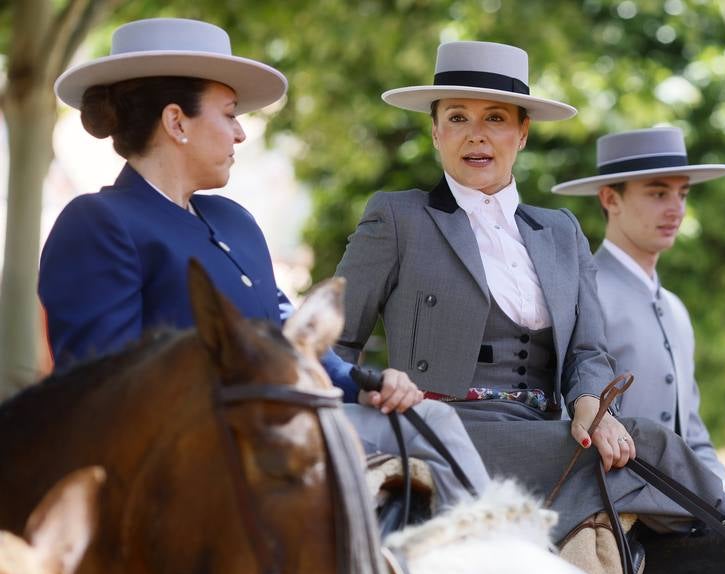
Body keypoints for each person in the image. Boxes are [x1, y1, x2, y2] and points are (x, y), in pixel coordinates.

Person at [39, 17, 487, 511]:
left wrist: (365, 384)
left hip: (288, 422)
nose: (239, 134)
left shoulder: (233, 219)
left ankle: (491, 567)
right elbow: (102, 388)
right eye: (229, 114)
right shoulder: (98, 222)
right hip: (197, 454)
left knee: (434, 421)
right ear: (176, 122)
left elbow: (287, 329)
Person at [333, 39, 725, 551]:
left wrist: (591, 405)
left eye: (496, 119)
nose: (476, 135)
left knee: (632, 446)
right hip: (449, 430)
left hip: (550, 428)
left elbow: (589, 350)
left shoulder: (560, 231)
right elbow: (335, 340)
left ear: (522, 132)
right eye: (458, 118)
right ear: (435, 131)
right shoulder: (399, 217)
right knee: (655, 447)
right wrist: (355, 402)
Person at [551, 125, 725, 510]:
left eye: (682, 193)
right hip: (609, 510)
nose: (676, 208)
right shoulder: (583, 292)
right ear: (610, 198)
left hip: (686, 509)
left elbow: (691, 429)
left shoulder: (675, 308)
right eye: (657, 193)